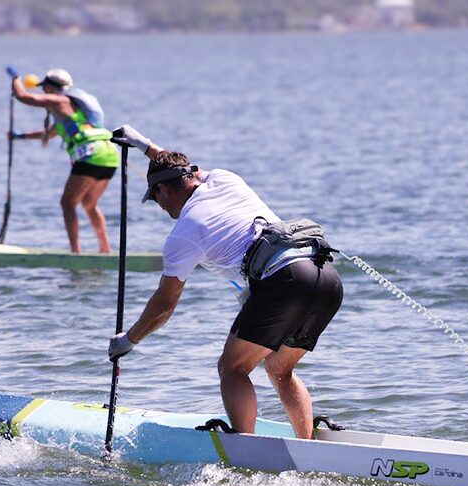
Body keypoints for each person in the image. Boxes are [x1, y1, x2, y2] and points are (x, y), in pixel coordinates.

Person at [107, 125, 344, 440]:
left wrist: (128, 340)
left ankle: (245, 449)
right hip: (326, 277)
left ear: (162, 190)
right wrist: (143, 144)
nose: (161, 207)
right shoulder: (223, 178)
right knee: (279, 369)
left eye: (156, 199)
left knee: (232, 369)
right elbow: (181, 167)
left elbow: (163, 306)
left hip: (286, 282)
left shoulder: (184, 233)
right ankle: (307, 444)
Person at [8, 67, 119, 254]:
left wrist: (15, 78)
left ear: (51, 87)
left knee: (67, 203)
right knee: (89, 204)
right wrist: (19, 136)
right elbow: (47, 134)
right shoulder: (70, 112)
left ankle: (75, 252)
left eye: (44, 87)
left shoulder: (60, 101)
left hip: (91, 156)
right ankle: (105, 250)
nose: (43, 91)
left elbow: (23, 97)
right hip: (110, 155)